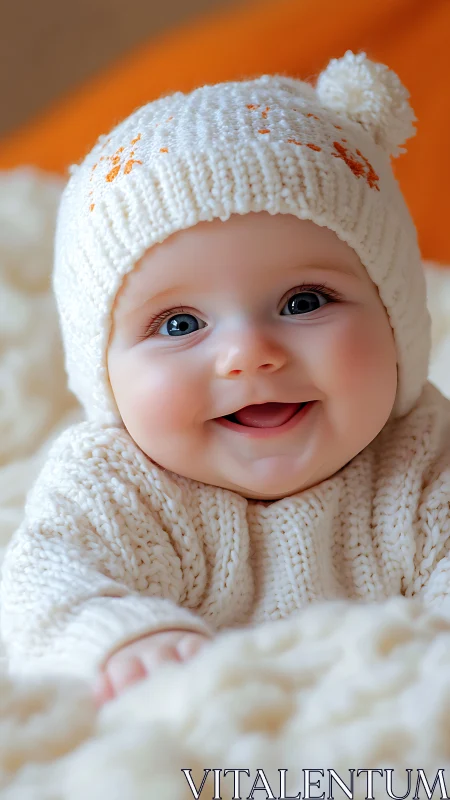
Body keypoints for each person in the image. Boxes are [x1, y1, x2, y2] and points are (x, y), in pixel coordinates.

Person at [2, 51, 449, 709]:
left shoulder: (421, 462)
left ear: (396, 321)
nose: (249, 355)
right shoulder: (118, 485)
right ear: (105, 374)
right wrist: (122, 641)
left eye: (304, 302)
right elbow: (41, 587)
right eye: (180, 323)